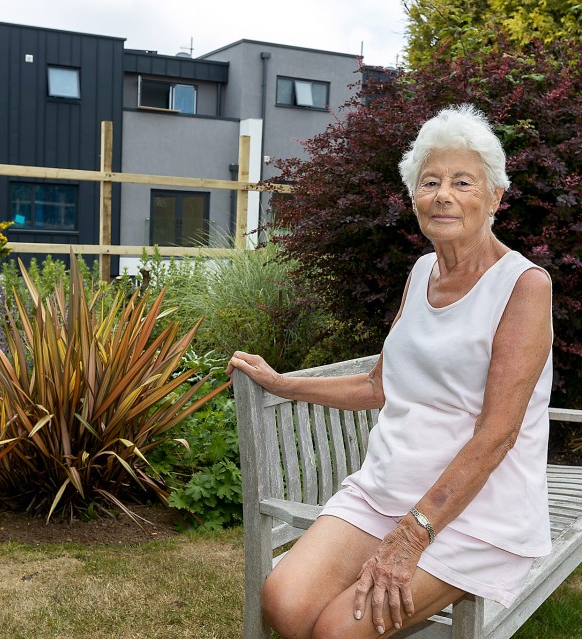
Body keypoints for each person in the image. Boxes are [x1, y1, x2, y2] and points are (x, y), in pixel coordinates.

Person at [227, 104, 553, 639]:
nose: (443, 194)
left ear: (496, 197)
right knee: (282, 603)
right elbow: (379, 385)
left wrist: (412, 535)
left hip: (473, 510)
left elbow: (498, 435)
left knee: (338, 630)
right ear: (415, 198)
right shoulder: (422, 270)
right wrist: (283, 383)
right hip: (387, 487)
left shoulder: (523, 286)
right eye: (430, 181)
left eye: (463, 182)